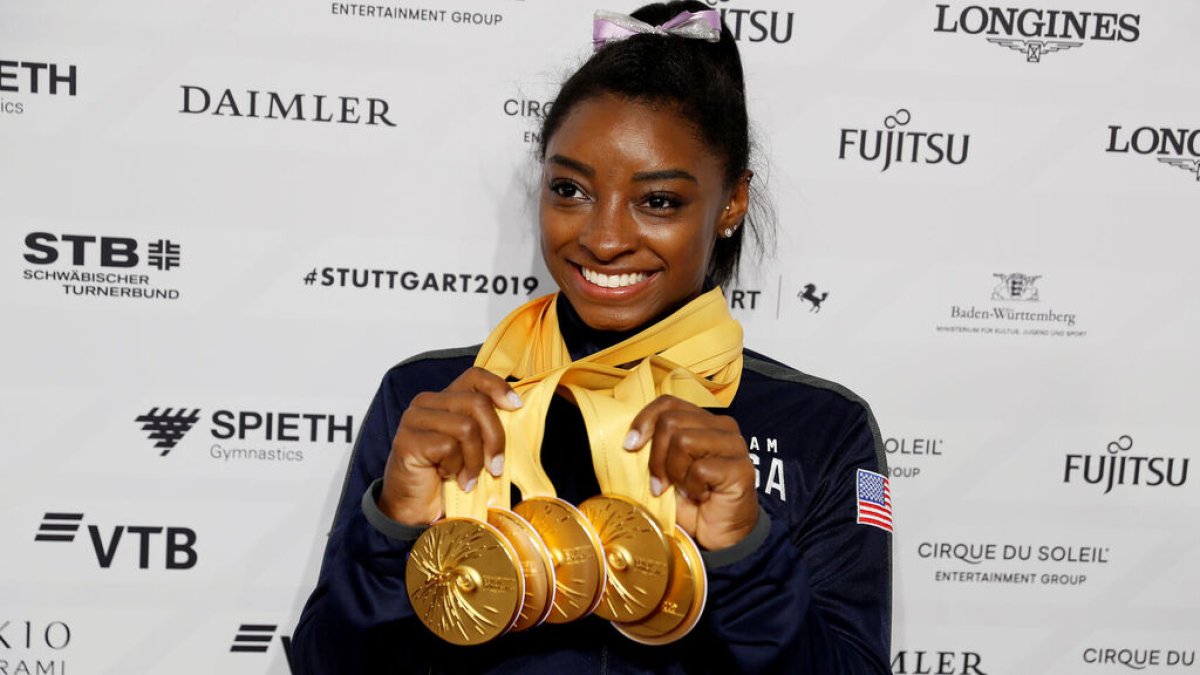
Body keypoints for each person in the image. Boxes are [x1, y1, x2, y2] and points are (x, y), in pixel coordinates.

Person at [292, 2, 891, 672]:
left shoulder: (827, 427)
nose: (604, 239)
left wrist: (744, 551)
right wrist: (394, 527)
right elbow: (324, 664)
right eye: (570, 189)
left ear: (731, 202)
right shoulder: (432, 398)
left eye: (658, 200)